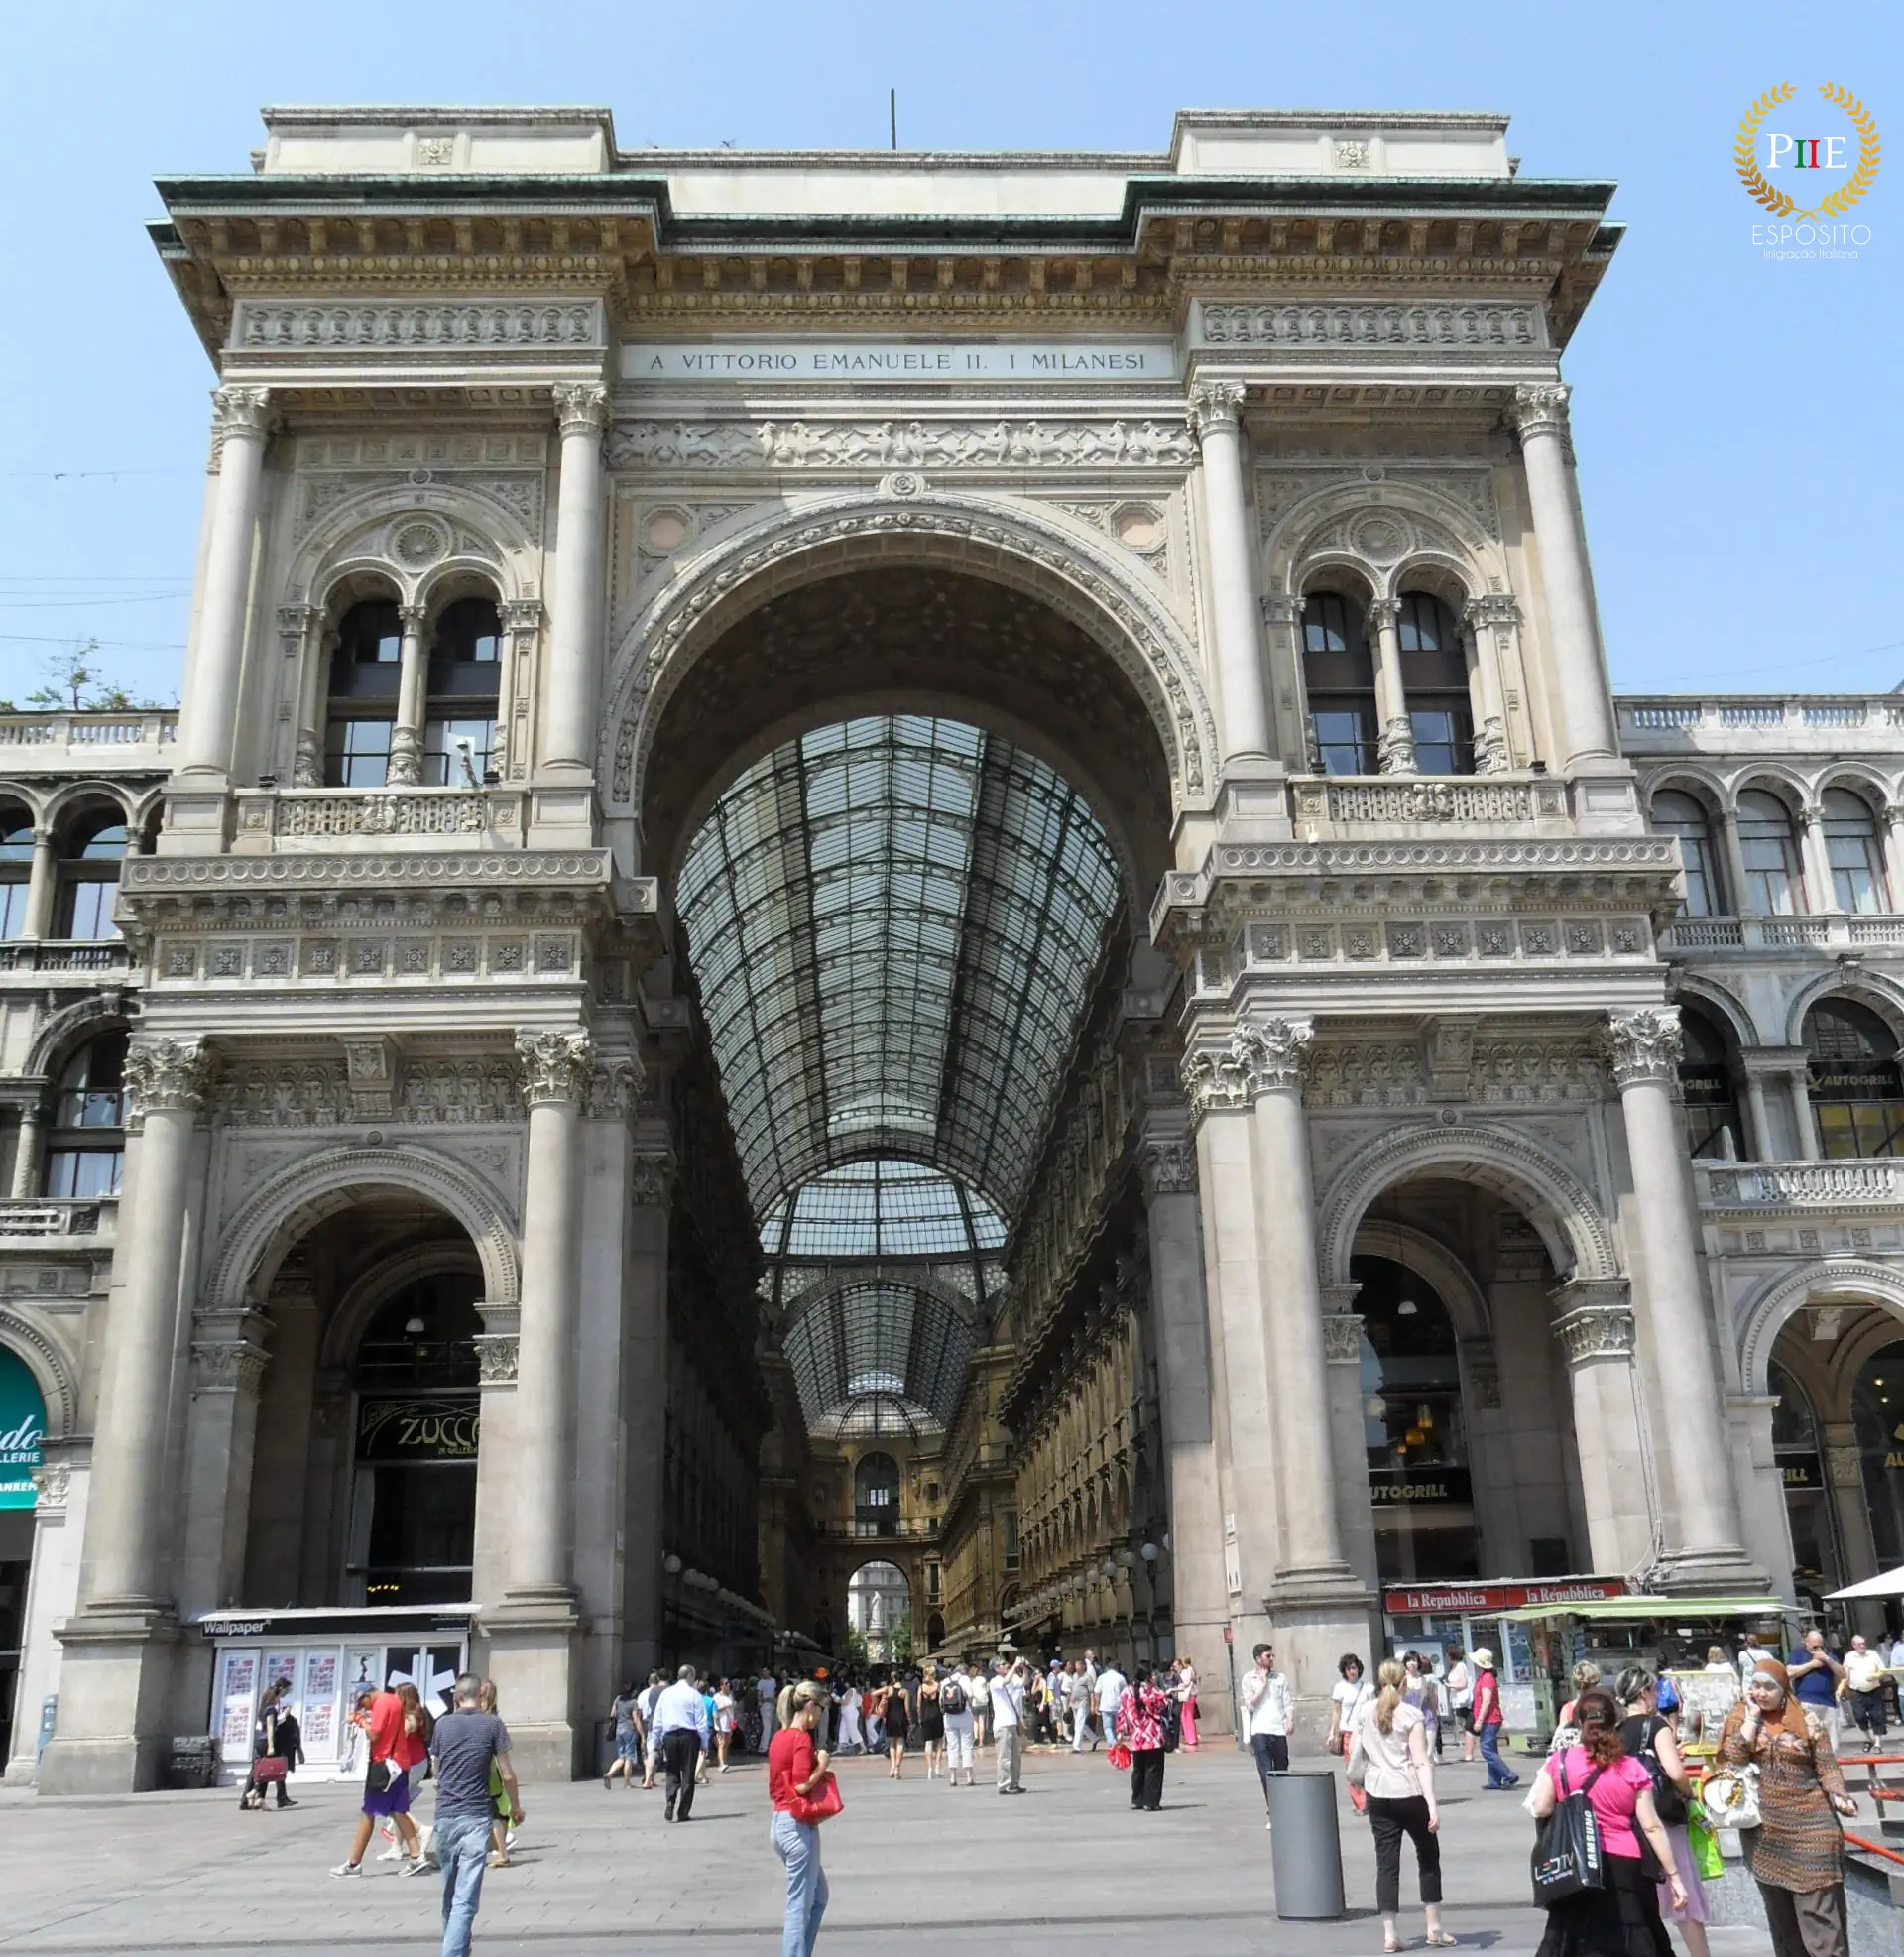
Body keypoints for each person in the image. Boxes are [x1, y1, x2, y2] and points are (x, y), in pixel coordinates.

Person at [1529, 1688, 1686, 1957]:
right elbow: (1651, 1826)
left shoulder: (1561, 1761)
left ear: (1579, 1722)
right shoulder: (1631, 1767)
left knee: (1576, 1939)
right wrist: (1674, 1876)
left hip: (1576, 1863)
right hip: (1625, 1863)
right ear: (1615, 1722)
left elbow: (1541, 1807)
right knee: (1632, 1936)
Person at [1717, 1657, 1855, 1957]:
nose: (1762, 1692)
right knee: (1784, 1926)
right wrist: (1752, 1719)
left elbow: (1826, 1765)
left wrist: (1839, 1794)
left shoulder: (1806, 1719)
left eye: (1769, 1687)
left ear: (1784, 1690)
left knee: (1820, 1922)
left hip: (1813, 1831)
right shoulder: (1740, 1718)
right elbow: (1733, 1757)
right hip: (1765, 1836)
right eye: (1756, 1685)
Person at [1352, 1658, 1451, 1954]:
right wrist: (1432, 1805)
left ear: (1380, 1682)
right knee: (1428, 1856)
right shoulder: (1411, 1714)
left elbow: (1358, 1751)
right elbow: (1420, 1762)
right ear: (1403, 1682)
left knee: (1387, 1863)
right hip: (1409, 1793)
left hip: (1378, 1794)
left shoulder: (1365, 1712)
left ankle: (1390, 1934)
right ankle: (1433, 1927)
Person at [1613, 1666, 1709, 1957]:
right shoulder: (1656, 1726)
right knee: (1684, 1897)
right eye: (1653, 1690)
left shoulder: (1615, 1731)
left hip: (1629, 1821)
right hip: (1663, 1818)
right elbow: (1674, 1771)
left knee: (1642, 1901)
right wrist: (1688, 1792)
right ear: (1644, 1692)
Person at [428, 1672, 522, 1957]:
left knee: (450, 1895)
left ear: (456, 1697)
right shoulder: (492, 1724)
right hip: (475, 1816)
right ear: (480, 1697)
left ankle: (458, 1947)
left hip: (445, 1815)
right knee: (465, 1899)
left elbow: (437, 1771)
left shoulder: (442, 1724)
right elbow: (506, 1774)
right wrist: (515, 1807)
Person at [332, 1678, 426, 1877]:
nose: (362, 1707)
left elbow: (375, 1734)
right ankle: (417, 1856)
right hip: (400, 1764)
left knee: (368, 1813)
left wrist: (359, 1720)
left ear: (367, 1696)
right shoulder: (393, 1700)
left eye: (361, 1703)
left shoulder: (381, 1704)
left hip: (383, 1765)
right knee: (398, 1811)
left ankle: (353, 1863)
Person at [770, 1681, 835, 1957]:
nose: (821, 1716)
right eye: (821, 1709)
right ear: (810, 1705)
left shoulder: (779, 1737)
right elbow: (800, 1786)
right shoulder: (800, 1738)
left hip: (779, 1823)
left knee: (818, 1896)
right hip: (797, 1828)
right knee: (800, 1904)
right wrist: (822, 1764)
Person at [1241, 1642, 1293, 1827]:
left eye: (1272, 1656)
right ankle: (1273, 1811)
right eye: (1267, 1656)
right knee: (1266, 1772)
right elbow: (1250, 1704)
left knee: (1282, 1768)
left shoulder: (1280, 1678)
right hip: (1260, 1729)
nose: (1271, 1659)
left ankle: (1283, 1808)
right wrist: (1262, 1685)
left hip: (1278, 1729)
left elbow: (1287, 1701)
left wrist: (1290, 1719)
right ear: (1258, 1659)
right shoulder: (1249, 1679)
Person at [654, 1662, 712, 1821]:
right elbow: (701, 1721)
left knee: (672, 1771)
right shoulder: (694, 1695)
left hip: (670, 1736)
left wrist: (656, 1740)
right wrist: (704, 1742)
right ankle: (683, 1811)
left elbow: (658, 1718)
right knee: (688, 1772)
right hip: (689, 1736)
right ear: (690, 1676)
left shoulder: (666, 1694)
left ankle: (670, 1802)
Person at [1117, 1661, 1171, 1813]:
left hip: (1137, 1737)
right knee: (1153, 1769)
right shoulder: (1151, 1691)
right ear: (1148, 1676)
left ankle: (1137, 1799)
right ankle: (1151, 1801)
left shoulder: (1126, 1692)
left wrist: (1120, 1731)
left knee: (1138, 1769)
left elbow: (1121, 1712)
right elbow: (1163, 1704)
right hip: (1153, 1736)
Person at [240, 1678, 300, 1810]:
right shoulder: (271, 1709)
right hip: (265, 1742)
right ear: (281, 1689)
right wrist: (271, 1745)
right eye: (287, 1690)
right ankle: (253, 1794)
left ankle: (258, 1799)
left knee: (264, 1770)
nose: (288, 1692)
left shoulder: (265, 1706)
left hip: (261, 1740)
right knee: (266, 1770)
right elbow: (270, 1727)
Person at [1786, 1631, 1844, 1750]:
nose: (1818, 1649)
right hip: (1806, 1701)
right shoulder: (1798, 1653)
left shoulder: (1828, 1655)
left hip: (1828, 1703)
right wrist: (1811, 1665)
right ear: (1806, 1643)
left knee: (1832, 1739)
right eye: (1814, 1646)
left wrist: (1827, 1659)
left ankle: (1832, 1763)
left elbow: (1843, 1674)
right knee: (1809, 1736)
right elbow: (1789, 1672)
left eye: (1820, 1646)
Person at [1470, 1648, 1518, 1790]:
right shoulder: (1484, 1677)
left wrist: (1479, 1720)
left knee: (1486, 1749)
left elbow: (1487, 1701)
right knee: (1491, 1749)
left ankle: (1508, 1774)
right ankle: (1494, 1781)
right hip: (1489, 1718)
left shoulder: (1487, 1678)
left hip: (1490, 1719)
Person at [1840, 1634, 1886, 1751]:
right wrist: (1840, 1689)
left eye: (1864, 1643)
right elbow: (1845, 1675)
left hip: (1874, 1690)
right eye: (1859, 1644)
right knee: (1859, 1717)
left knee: (1877, 1716)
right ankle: (1868, 1739)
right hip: (1856, 1692)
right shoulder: (1849, 1657)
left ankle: (1877, 1743)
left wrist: (1876, 1676)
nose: (1862, 1645)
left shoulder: (1873, 1654)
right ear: (1854, 1645)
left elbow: (1883, 1671)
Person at [992, 1656, 1026, 1794]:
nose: (1005, 1666)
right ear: (996, 1669)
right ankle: (1003, 1784)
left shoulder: (1012, 1678)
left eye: (1006, 1664)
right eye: (1002, 1665)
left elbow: (1023, 1682)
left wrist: (1024, 1669)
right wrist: (1015, 1665)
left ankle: (1014, 1783)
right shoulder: (994, 1682)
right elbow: (1005, 1682)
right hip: (1002, 1724)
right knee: (1004, 1756)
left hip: (1012, 1722)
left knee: (1016, 1756)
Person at [1328, 1653, 1372, 1758]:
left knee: (1365, 1765)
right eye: (1348, 1669)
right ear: (1344, 1671)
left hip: (1364, 1731)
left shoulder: (1368, 1688)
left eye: (1353, 1668)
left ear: (1358, 1669)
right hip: (1347, 1731)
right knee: (1350, 1766)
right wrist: (1332, 1733)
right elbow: (1336, 1712)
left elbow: (1372, 1711)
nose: (1351, 1672)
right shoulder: (1339, 1687)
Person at [939, 1664, 975, 1786]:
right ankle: (969, 1777)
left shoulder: (944, 1682)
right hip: (964, 1714)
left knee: (952, 1746)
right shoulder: (965, 1680)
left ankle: (953, 1777)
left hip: (949, 1717)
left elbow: (941, 1702)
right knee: (967, 1745)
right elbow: (970, 1696)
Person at [606, 1680, 644, 1788]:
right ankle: (627, 1783)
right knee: (629, 1758)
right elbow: (636, 1719)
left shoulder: (618, 1699)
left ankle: (609, 1774)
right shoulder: (633, 1702)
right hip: (629, 1729)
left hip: (619, 1729)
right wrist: (641, 1734)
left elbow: (612, 1714)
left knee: (621, 1757)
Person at [1445, 1647, 1476, 1764]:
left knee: (1468, 1727)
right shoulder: (1454, 1667)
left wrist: (1449, 1685)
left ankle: (1469, 1754)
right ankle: (1467, 1753)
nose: (1446, 1657)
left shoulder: (1460, 1666)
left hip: (1464, 1701)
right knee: (1465, 1726)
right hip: (1458, 1700)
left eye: (1448, 1655)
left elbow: (1463, 1683)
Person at [1094, 1655, 1127, 1760]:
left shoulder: (1102, 1678)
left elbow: (1097, 1692)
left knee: (1107, 1727)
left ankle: (1112, 1744)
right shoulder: (1120, 1678)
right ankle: (1116, 1742)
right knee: (1117, 1727)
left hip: (1105, 1705)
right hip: (1118, 1705)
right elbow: (1125, 1692)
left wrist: (1096, 1705)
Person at [917, 1665, 944, 1779]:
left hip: (925, 1717)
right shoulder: (938, 1686)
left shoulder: (921, 1688)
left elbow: (918, 1705)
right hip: (937, 1715)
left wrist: (919, 1717)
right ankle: (937, 1765)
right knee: (939, 1742)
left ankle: (929, 1768)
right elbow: (941, 1702)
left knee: (928, 1743)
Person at [1069, 1654, 1099, 1753]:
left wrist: (1093, 1706)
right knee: (1080, 1725)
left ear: (1083, 1667)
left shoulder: (1087, 1677)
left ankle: (1076, 1747)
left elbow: (1091, 1692)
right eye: (1075, 1666)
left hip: (1083, 1703)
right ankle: (1094, 1738)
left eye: (1078, 1666)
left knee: (1079, 1724)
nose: (1076, 1667)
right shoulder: (1074, 1676)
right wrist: (1070, 1701)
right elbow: (1073, 1689)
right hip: (1074, 1703)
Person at [883, 1674, 909, 1776]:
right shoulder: (904, 1692)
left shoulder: (888, 1690)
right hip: (901, 1718)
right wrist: (910, 1719)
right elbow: (907, 1709)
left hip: (890, 1717)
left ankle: (893, 1766)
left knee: (892, 1742)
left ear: (892, 1679)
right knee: (901, 1741)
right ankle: (898, 1767)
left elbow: (880, 1697)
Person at [1177, 1655, 1201, 1750]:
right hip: (1191, 1695)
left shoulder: (1187, 1671)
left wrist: (1179, 1685)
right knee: (1187, 1716)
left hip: (1188, 1696)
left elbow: (1186, 1683)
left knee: (1187, 1716)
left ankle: (1191, 1738)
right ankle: (1190, 1737)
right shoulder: (1192, 1670)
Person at [967, 1661, 991, 1751]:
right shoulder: (982, 1679)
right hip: (983, 1702)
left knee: (975, 1722)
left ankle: (975, 1737)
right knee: (981, 1722)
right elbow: (987, 1690)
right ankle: (981, 1742)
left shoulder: (970, 1681)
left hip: (974, 1703)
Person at [715, 1679, 738, 1773]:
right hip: (721, 1722)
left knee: (727, 1743)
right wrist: (725, 1706)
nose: (727, 1686)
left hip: (730, 1722)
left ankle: (724, 1761)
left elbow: (733, 1707)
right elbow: (715, 1709)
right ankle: (721, 1763)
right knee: (721, 1743)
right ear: (721, 1686)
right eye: (725, 1684)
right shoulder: (716, 1697)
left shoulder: (730, 1695)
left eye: (728, 1684)